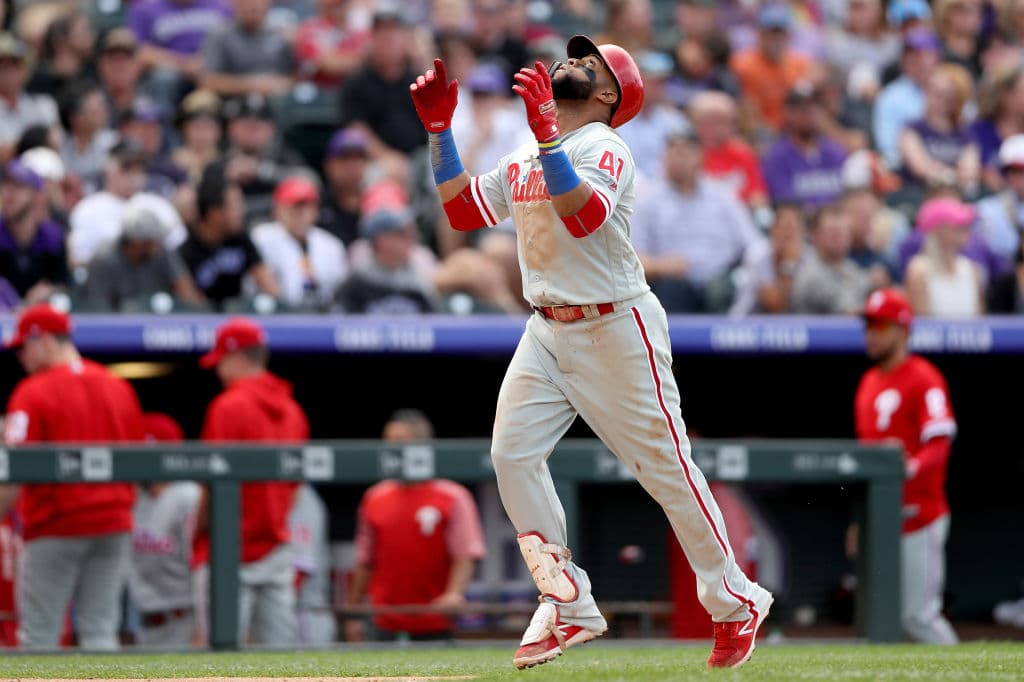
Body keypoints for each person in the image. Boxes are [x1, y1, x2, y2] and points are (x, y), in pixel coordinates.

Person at [409, 35, 772, 669]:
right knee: (511, 453)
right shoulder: (529, 149)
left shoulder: (607, 145)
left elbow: (583, 217)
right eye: (574, 56)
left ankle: (735, 598)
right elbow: (465, 211)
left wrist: (549, 135)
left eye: (590, 63)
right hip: (547, 327)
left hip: (614, 325)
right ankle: (568, 601)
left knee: (667, 471)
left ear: (608, 94)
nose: (571, 63)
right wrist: (441, 132)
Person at [1, 303, 145, 649]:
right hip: (114, 523)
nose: (21, 356)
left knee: (39, 634)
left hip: (55, 526)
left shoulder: (33, 391)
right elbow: (140, 464)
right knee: (100, 630)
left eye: (25, 346)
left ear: (46, 341)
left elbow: (13, 472)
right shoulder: (117, 386)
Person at [854, 288, 959, 645]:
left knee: (917, 615)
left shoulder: (924, 377)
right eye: (868, 324)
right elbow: (866, 462)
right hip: (881, 522)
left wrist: (908, 468)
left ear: (902, 330)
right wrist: (860, 520)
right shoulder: (868, 384)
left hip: (920, 515)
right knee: (881, 619)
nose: (871, 333)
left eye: (879, 325)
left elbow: (940, 443)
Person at [196, 317, 305, 645]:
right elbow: (295, 490)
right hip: (275, 543)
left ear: (239, 357)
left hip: (229, 548)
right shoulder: (292, 409)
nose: (218, 371)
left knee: (223, 657)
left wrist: (200, 532)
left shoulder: (228, 406)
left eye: (222, 361)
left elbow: (210, 485)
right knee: (280, 658)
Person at [346, 409, 485, 642]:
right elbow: (365, 560)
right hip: (383, 619)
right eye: (388, 442)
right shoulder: (374, 496)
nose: (392, 448)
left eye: (399, 441)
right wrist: (353, 612)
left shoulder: (452, 495)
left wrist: (454, 594)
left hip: (435, 618)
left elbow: (466, 553)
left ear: (422, 446)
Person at [130, 412, 201, 648]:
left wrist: (202, 628)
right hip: (146, 623)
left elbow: (201, 567)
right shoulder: (137, 498)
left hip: (185, 619)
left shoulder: (188, 495)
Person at [251, 176, 348, 310]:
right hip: (274, 314)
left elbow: (339, 293)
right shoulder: (261, 238)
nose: (299, 213)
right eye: (293, 207)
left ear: (316, 211)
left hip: (320, 315)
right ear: (277, 210)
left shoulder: (331, 245)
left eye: (305, 207)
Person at [904, 196, 985, 317]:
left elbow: (980, 321)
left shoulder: (972, 270)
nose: (964, 228)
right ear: (938, 229)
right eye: (957, 225)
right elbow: (922, 324)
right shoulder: (919, 270)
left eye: (964, 224)